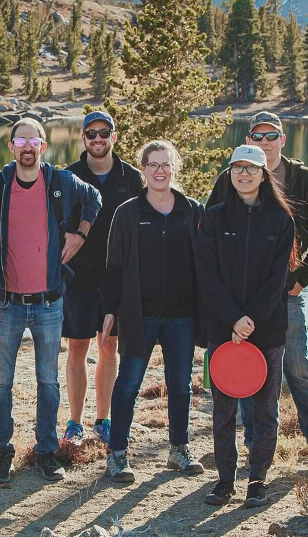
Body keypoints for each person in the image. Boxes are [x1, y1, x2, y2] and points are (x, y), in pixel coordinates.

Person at [205, 111, 308, 467]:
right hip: (239, 297)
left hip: (283, 294)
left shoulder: (302, 178)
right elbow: (208, 230)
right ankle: (255, 446)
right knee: (246, 367)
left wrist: (303, 277)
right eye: (258, 136)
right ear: (248, 140)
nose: (265, 142)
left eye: (272, 136)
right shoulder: (231, 177)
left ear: (283, 140)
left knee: (298, 367)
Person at [0, 118, 101, 484]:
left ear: (43, 146)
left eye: (34, 141)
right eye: (21, 140)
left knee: (48, 380)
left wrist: (80, 234)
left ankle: (46, 451)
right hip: (7, 303)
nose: (27, 147)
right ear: (11, 146)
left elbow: (94, 198)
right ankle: (1, 453)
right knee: (1, 381)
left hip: (49, 303)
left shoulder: (60, 181)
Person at [99, 140, 206, 483]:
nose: (160, 171)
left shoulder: (192, 210)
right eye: (153, 165)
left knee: (181, 384)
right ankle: (118, 454)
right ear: (143, 169)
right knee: (128, 383)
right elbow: (114, 265)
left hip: (182, 315)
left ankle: (179, 450)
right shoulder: (128, 213)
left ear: (175, 168)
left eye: (166, 164)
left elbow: (206, 262)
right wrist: (109, 310)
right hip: (138, 313)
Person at [198, 145, 297, 508]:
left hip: (266, 330)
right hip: (223, 330)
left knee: (265, 410)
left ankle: (258, 479)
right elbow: (206, 275)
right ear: (230, 174)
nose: (243, 174)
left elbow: (277, 280)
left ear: (263, 174)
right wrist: (233, 318)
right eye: (237, 167)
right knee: (223, 410)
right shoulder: (214, 218)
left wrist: (249, 320)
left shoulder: (281, 220)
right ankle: (225, 480)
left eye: (251, 168)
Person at [62, 111, 142, 445]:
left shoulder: (133, 178)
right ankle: (74, 423)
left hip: (118, 278)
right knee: (77, 346)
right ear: (83, 138)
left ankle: (103, 420)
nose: (98, 139)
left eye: (104, 133)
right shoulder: (68, 176)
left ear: (114, 137)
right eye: (91, 133)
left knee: (109, 346)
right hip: (78, 278)